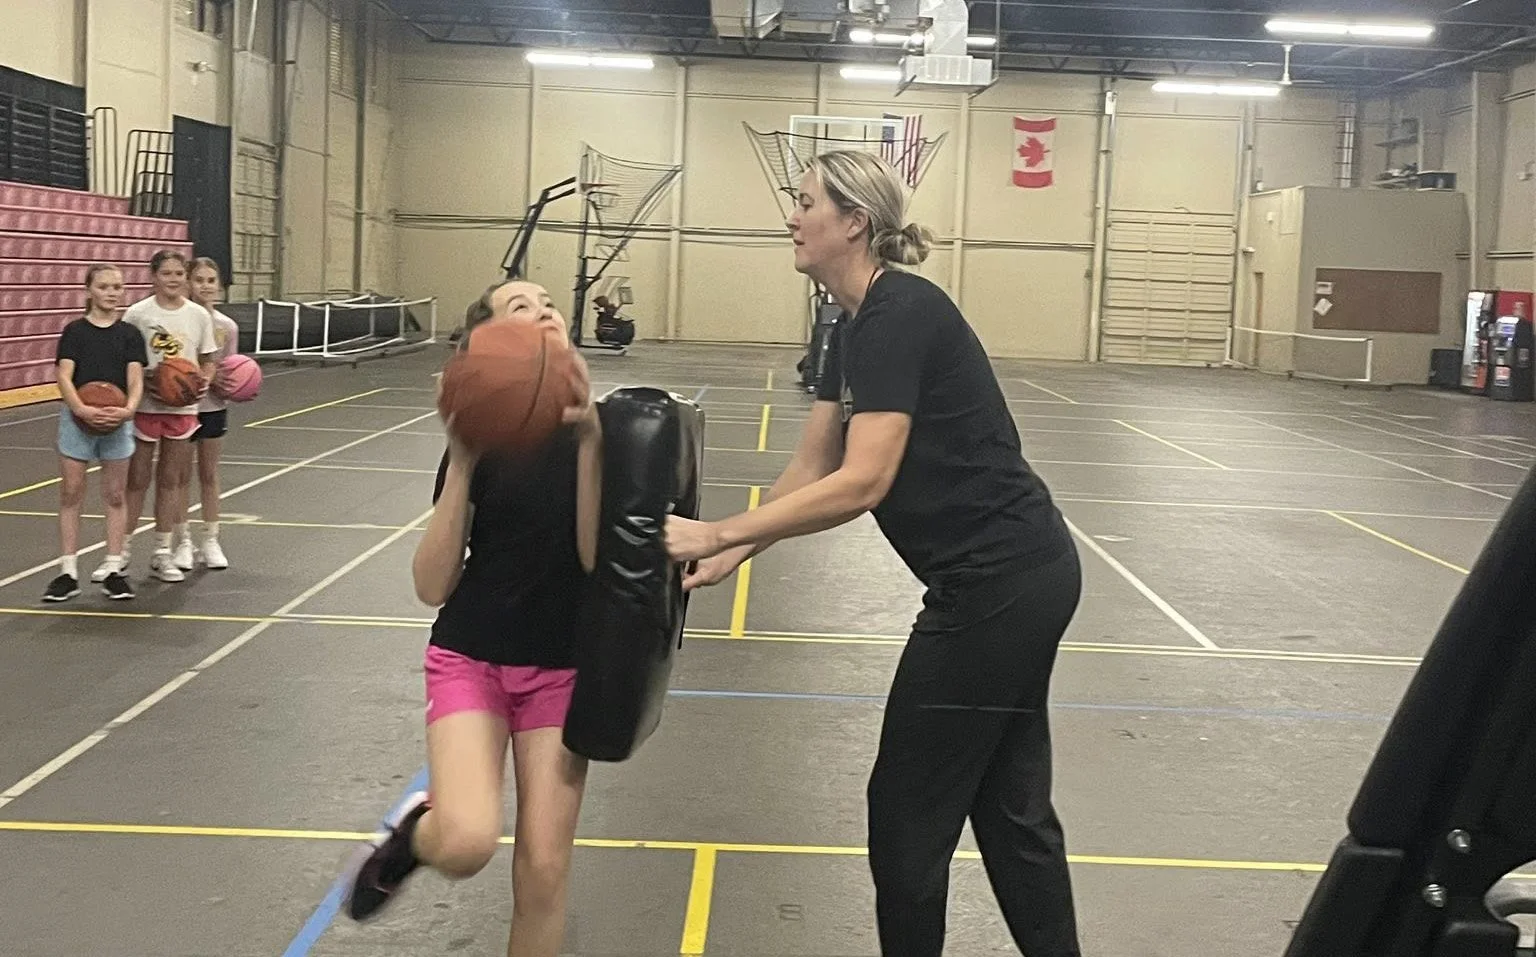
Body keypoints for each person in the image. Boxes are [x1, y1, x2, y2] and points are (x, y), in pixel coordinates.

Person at [662, 150, 1085, 957]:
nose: (792, 216)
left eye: (806, 202)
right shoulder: (844, 325)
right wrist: (738, 547)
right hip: (1018, 579)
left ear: (854, 222)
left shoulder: (903, 314)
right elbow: (813, 462)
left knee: (906, 815)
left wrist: (716, 532)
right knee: (1008, 808)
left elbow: (862, 481)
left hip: (997, 584)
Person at [343, 279, 603, 957]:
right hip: (472, 658)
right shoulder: (484, 435)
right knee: (465, 843)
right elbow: (431, 585)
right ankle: (416, 835)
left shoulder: (605, 434)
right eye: (521, 306)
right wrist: (461, 457)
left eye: (548, 302)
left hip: (563, 666)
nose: (543, 309)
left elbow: (592, 556)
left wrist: (593, 445)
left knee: (545, 870)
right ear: (488, 344)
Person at [100, 250, 217, 585]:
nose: (174, 279)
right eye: (167, 273)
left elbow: (208, 358)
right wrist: (147, 377)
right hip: (147, 407)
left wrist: (201, 380)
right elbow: (126, 358)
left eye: (179, 274)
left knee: (171, 480)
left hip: (183, 409)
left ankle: (162, 551)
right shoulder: (138, 314)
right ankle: (120, 552)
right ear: (153, 276)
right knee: (136, 480)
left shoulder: (197, 316)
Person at [44, 264, 146, 602]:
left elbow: (135, 377)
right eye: (104, 286)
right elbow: (64, 375)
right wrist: (79, 409)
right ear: (89, 291)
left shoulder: (130, 334)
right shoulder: (75, 332)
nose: (112, 292)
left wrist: (129, 409)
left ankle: (114, 569)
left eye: (117, 286)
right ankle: (67, 571)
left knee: (116, 495)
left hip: (118, 421)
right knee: (71, 491)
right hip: (78, 420)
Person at [170, 256, 238, 571]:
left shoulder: (227, 327)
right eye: (199, 279)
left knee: (209, 474)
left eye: (211, 280)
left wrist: (231, 384)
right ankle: (182, 541)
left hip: (212, 408)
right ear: (188, 284)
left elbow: (232, 371)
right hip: (182, 408)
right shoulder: (179, 321)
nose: (205, 286)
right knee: (179, 476)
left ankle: (211, 538)